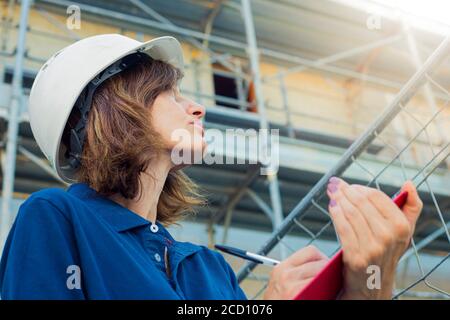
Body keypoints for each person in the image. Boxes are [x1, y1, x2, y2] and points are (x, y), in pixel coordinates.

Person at [0, 34, 423, 299]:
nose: (198, 107)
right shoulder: (56, 219)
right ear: (114, 108)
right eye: (168, 92)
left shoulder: (209, 267)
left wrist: (369, 286)